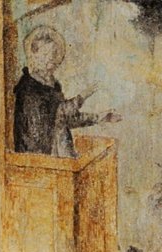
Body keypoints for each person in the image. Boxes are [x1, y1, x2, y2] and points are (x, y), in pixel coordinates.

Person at [13, 25, 121, 158]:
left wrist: (99, 117)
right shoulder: (28, 88)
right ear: (33, 56)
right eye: (45, 54)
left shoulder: (53, 85)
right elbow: (56, 118)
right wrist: (82, 97)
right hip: (38, 155)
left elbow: (65, 118)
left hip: (57, 153)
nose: (50, 58)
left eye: (53, 53)